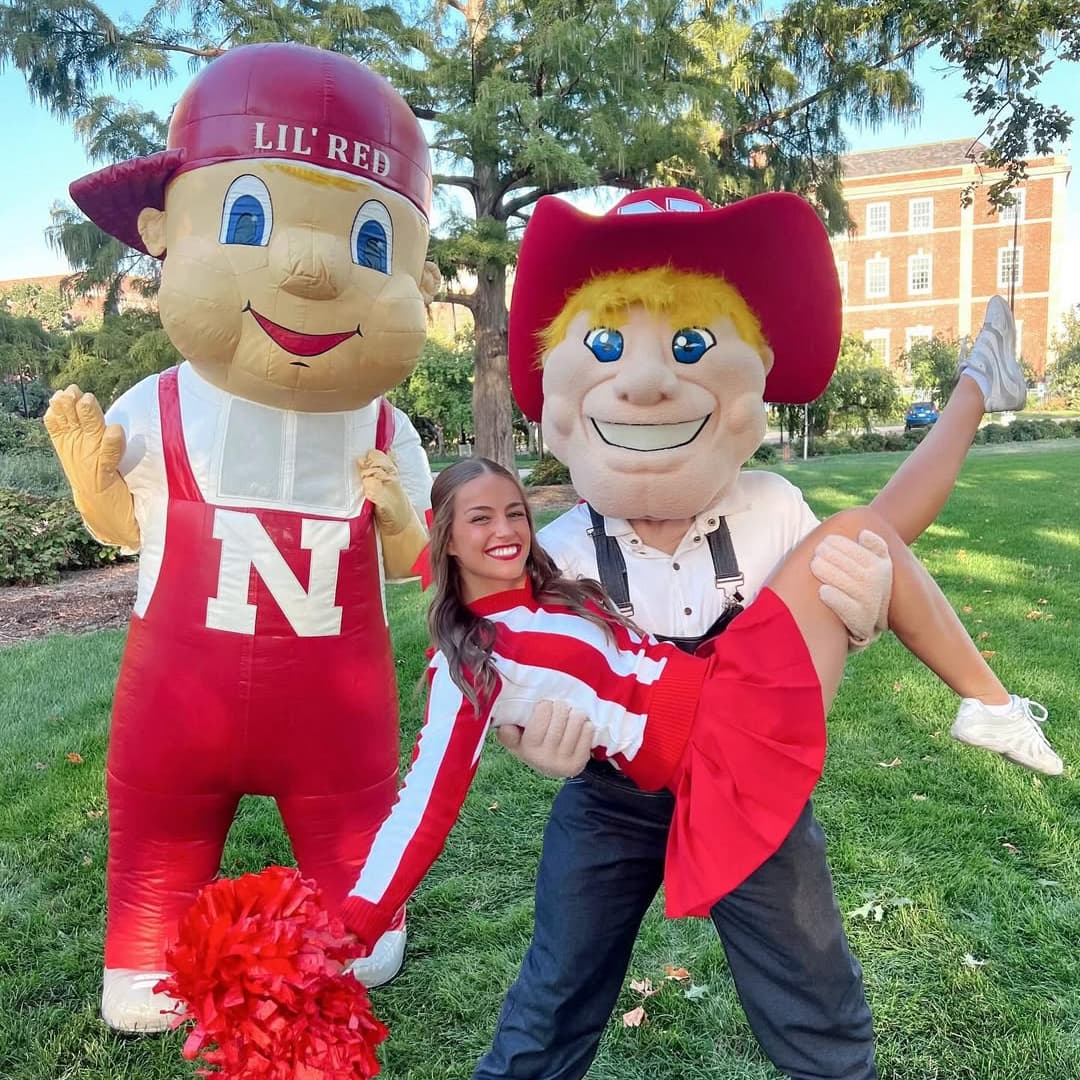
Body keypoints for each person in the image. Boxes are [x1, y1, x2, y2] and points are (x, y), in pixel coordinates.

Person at [472, 187, 1060, 1080]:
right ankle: (980, 398)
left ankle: (978, 392)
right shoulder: (555, 554)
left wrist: (862, 619)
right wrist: (532, 745)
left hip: (750, 780)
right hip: (614, 788)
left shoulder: (772, 505)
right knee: (552, 996)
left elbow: (845, 586)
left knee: (815, 1002)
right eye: (604, 347)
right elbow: (521, 681)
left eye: (690, 345)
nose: (644, 380)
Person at [42, 43, 437, 1030]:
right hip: (179, 704)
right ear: (163, 234)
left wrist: (397, 520)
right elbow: (127, 527)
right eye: (250, 220)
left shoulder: (387, 430)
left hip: (335, 721)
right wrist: (95, 484)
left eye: (371, 246)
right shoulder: (161, 406)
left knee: (358, 860)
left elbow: (416, 562)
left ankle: (357, 901)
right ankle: (144, 939)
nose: (307, 270)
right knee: (160, 830)